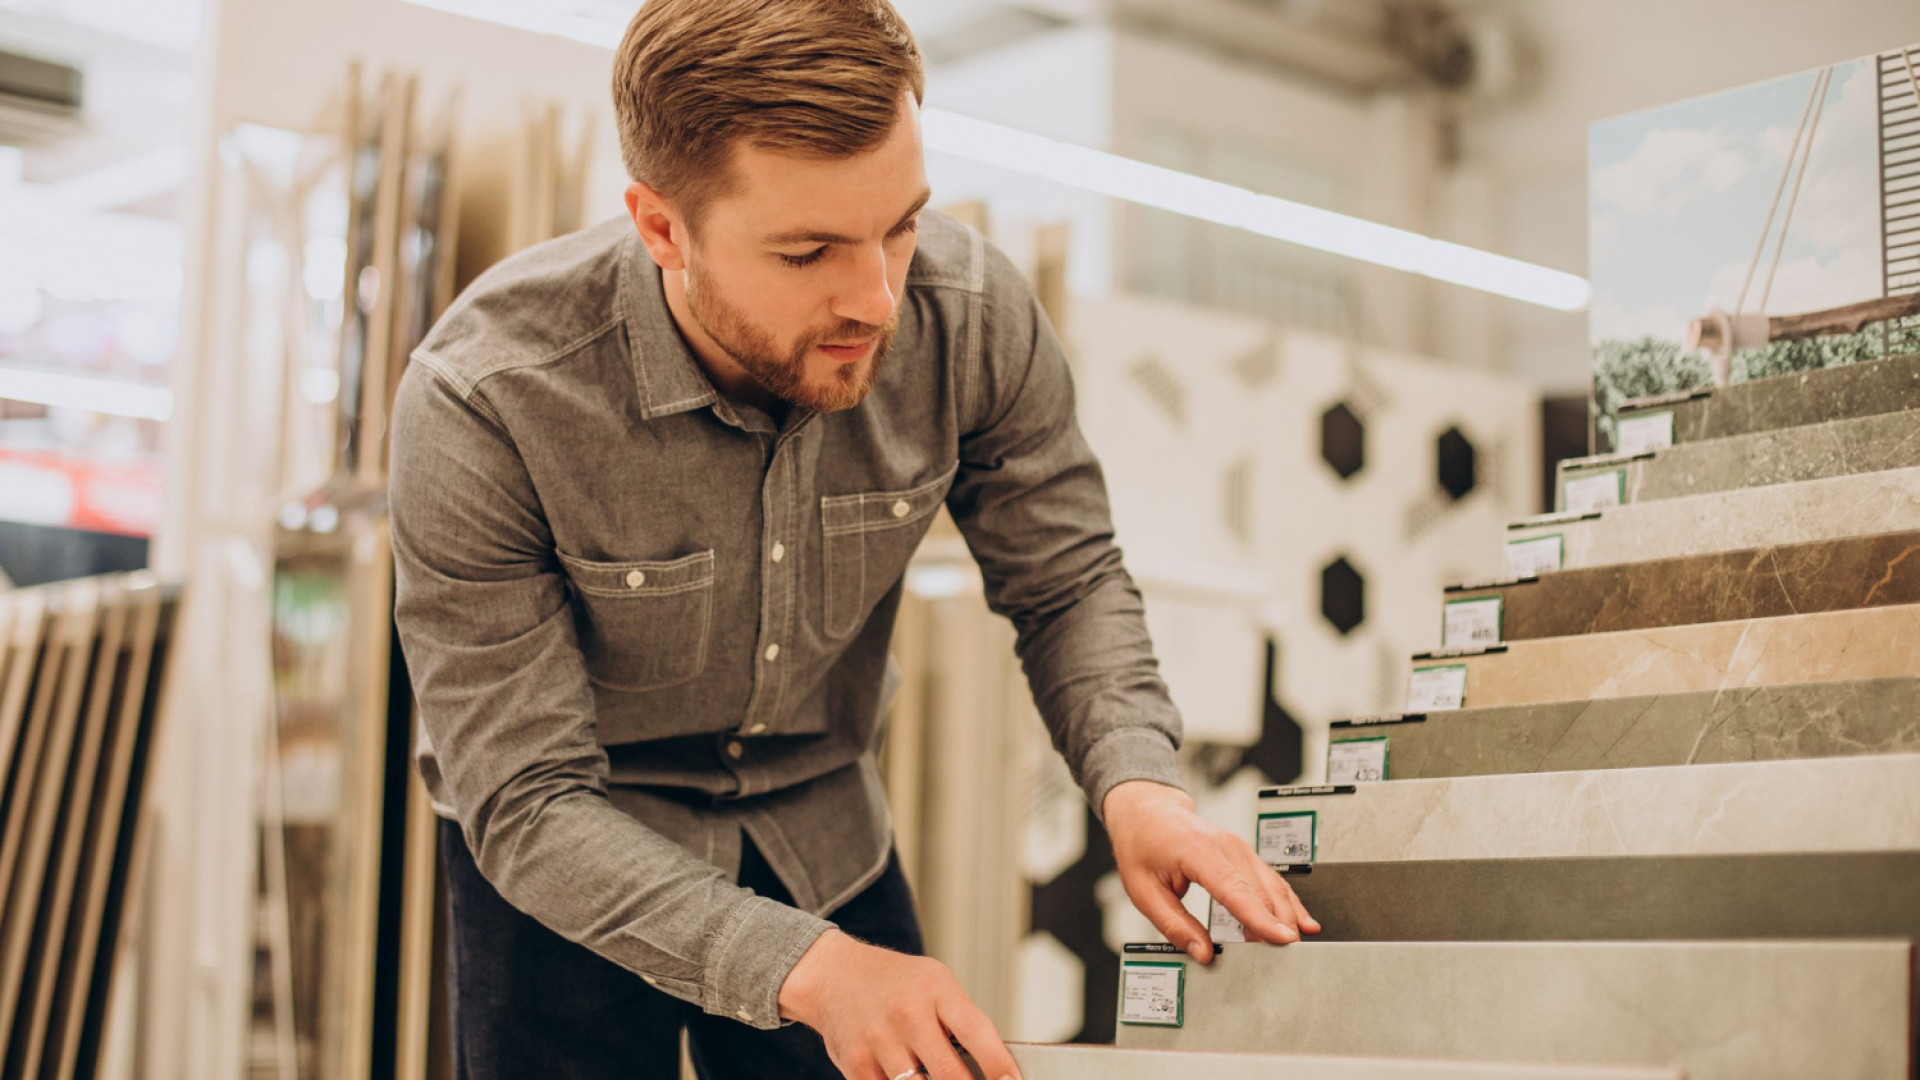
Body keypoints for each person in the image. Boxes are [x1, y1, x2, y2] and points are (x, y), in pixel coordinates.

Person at [388, 1, 1318, 1078]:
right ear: (660, 228)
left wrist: (1139, 786)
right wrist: (817, 972)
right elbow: (529, 802)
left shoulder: (966, 315)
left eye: (901, 225)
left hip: (819, 828)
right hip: (573, 861)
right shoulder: (486, 400)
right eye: (807, 251)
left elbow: (1064, 580)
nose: (877, 298)